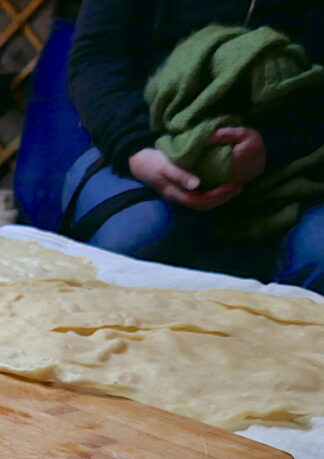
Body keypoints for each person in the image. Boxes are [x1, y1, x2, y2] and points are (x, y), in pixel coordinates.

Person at [63, 0, 324, 292]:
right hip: (141, 147)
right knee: (139, 235)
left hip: (302, 163)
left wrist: (271, 149)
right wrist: (137, 150)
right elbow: (96, 59)